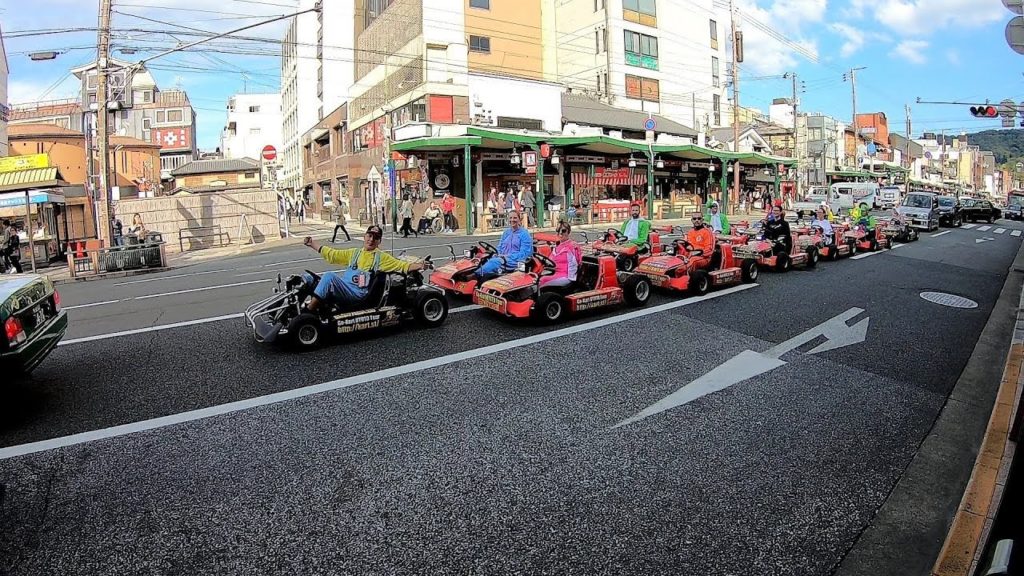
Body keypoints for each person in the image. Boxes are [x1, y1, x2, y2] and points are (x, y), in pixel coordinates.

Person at [301, 225, 429, 315]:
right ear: (364, 236)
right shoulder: (355, 253)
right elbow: (332, 254)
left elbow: (402, 266)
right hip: (345, 288)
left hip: (357, 294)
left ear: (379, 241)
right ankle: (295, 307)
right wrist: (312, 243)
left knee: (329, 277)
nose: (371, 239)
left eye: (376, 237)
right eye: (369, 235)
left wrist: (421, 265)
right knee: (308, 278)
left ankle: (308, 312)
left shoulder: (381, 257)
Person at [475, 211, 533, 281]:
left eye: (515, 218)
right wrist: (497, 254)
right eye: (510, 218)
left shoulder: (524, 234)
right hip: (502, 258)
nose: (512, 220)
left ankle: (475, 275)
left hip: (514, 261)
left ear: (519, 219)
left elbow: (524, 254)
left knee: (494, 262)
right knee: (483, 258)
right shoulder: (506, 232)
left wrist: (507, 256)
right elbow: (500, 246)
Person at [540, 221, 582, 288]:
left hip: (566, 276)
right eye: (558, 230)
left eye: (563, 230)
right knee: (535, 278)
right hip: (554, 273)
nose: (560, 233)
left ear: (569, 232)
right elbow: (550, 261)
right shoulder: (557, 246)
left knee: (541, 281)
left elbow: (578, 262)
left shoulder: (572, 246)